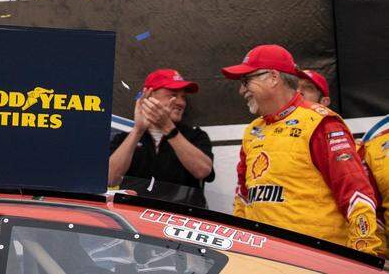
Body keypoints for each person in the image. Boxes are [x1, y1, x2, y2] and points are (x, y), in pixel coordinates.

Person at [222, 44, 384, 255]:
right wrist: (239, 248)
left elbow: (355, 193)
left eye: (246, 81)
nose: (242, 90)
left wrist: (363, 252)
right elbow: (243, 197)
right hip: (264, 259)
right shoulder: (253, 131)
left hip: (316, 260)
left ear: (272, 77)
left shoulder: (320, 122)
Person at [108, 69, 214, 207]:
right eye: (173, 95)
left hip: (180, 221)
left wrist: (168, 128)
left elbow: (203, 171)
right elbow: (110, 179)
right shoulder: (124, 138)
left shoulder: (195, 136)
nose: (181, 103)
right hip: (134, 219)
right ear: (149, 95)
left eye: (183, 97)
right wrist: (138, 130)